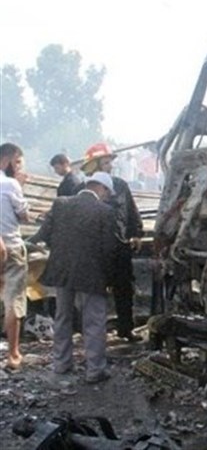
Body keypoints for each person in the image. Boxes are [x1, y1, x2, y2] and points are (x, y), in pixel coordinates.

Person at [35, 172, 117, 383]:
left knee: (63, 317)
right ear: (102, 188)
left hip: (62, 270)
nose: (108, 197)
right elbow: (109, 249)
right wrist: (110, 279)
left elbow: (43, 235)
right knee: (94, 321)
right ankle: (95, 370)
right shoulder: (105, 211)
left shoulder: (61, 203)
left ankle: (61, 364)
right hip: (92, 274)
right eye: (108, 193)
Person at [81, 143, 144, 342]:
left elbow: (130, 210)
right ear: (94, 165)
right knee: (94, 291)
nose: (110, 166)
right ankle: (93, 332)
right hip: (95, 248)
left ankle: (126, 328)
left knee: (124, 288)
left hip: (120, 245)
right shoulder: (83, 189)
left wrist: (136, 233)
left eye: (110, 162)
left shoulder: (120, 185)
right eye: (106, 162)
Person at [0, 142, 31, 370]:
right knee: (14, 301)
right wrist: (20, 186)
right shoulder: (10, 184)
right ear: (7, 160)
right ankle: (13, 354)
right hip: (11, 247)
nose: (19, 166)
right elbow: (24, 216)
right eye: (17, 162)